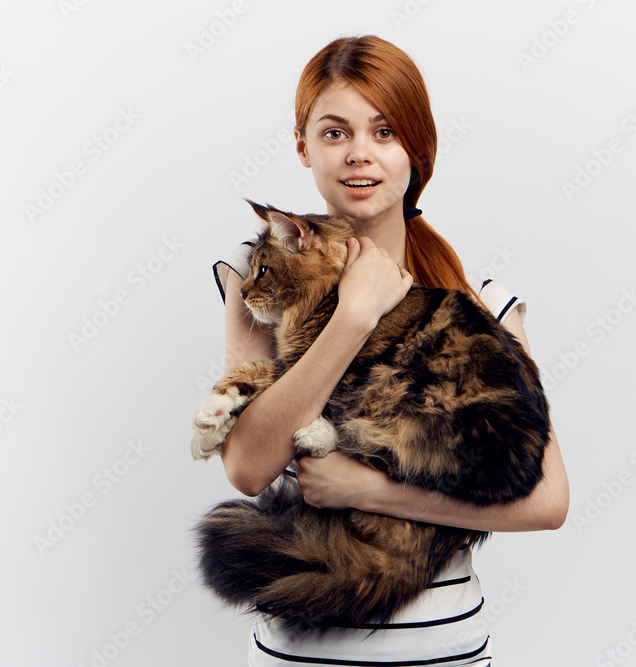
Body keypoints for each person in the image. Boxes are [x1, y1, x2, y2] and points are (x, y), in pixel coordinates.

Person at [210, 34, 569, 667]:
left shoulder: (478, 299)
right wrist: (352, 315)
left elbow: (546, 503)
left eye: (384, 132)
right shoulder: (264, 283)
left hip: (444, 648)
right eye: (334, 132)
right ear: (303, 146)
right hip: (299, 653)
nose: (359, 155)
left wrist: (369, 490)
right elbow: (247, 468)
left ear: (416, 148)